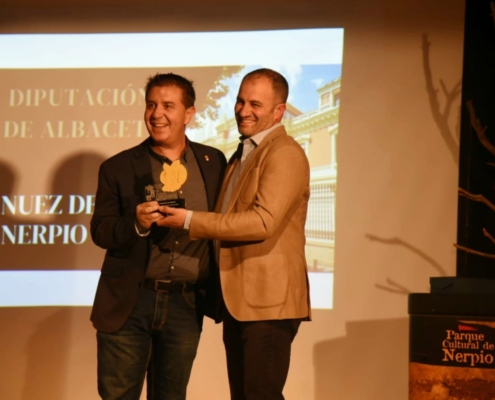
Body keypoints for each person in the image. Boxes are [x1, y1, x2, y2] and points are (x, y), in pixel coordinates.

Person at [157, 68, 311, 400]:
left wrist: (189, 220)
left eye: (255, 103)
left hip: (269, 304)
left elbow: (262, 222)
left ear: (279, 110)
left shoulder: (284, 152)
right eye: (240, 101)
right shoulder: (242, 154)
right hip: (240, 301)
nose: (243, 110)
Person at [90, 72, 227, 400]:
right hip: (129, 301)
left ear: (189, 114)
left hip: (186, 303)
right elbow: (101, 231)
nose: (156, 114)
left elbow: (223, 224)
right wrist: (135, 223)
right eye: (151, 104)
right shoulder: (118, 167)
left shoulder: (213, 162)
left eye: (168, 105)